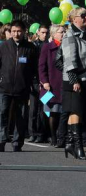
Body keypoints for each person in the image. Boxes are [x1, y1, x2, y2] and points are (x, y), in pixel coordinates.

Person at [60, 8, 86, 160]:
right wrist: (74, 80)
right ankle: (78, 146)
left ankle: (70, 143)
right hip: (74, 79)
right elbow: (69, 59)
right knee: (76, 111)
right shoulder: (70, 35)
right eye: (82, 16)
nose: (85, 18)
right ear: (74, 19)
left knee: (78, 111)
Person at [0, 20, 39, 152]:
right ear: (10, 32)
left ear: (24, 32)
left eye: (19, 31)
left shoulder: (31, 48)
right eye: (14, 31)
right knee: (2, 114)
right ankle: (1, 140)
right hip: (4, 87)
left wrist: (34, 84)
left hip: (22, 88)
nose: (16, 34)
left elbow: (35, 69)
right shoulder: (3, 46)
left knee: (21, 116)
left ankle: (17, 142)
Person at [39, 25, 67, 147]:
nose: (63, 34)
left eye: (64, 32)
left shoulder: (67, 46)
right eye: (61, 32)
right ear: (54, 34)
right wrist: (44, 81)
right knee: (53, 112)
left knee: (63, 112)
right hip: (51, 85)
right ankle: (53, 136)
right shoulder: (47, 47)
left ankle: (62, 137)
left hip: (64, 83)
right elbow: (41, 66)